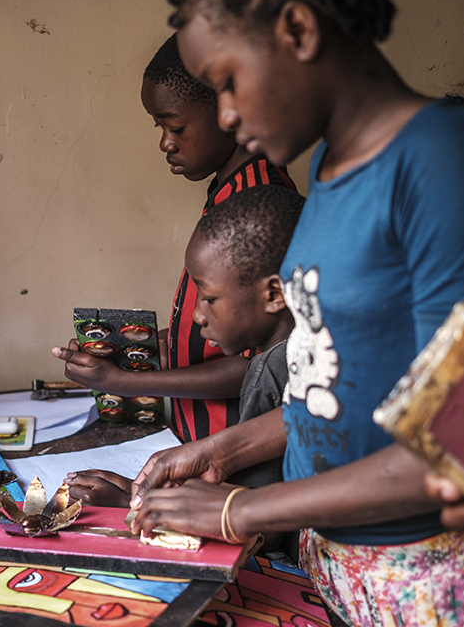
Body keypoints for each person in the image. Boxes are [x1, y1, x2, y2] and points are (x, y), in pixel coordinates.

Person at [128, 0, 464, 624]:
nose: (224, 116)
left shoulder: (438, 157)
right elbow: (337, 389)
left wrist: (238, 510)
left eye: (228, 82)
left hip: (428, 581)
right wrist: (219, 451)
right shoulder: (332, 171)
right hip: (340, 568)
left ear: (300, 30)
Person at [51, 34, 297, 507]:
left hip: (233, 465)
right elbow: (208, 332)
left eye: (175, 125)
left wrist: (126, 383)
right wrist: (125, 349)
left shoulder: (258, 201)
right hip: (199, 452)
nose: (165, 142)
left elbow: (256, 363)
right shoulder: (228, 190)